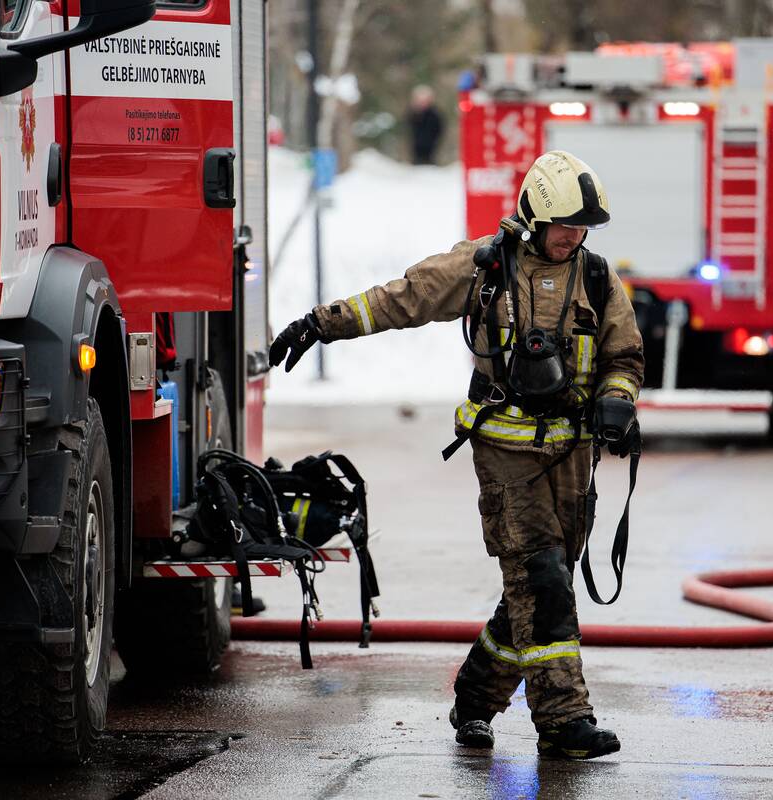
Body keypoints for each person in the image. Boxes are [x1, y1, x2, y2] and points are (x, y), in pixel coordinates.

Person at [268, 151, 644, 760]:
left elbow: (623, 356)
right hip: (505, 452)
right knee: (541, 577)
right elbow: (400, 298)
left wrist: (616, 402)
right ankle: (563, 721)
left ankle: (474, 697)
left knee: (537, 589)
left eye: (583, 229)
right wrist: (319, 323)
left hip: (573, 456)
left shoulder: (597, 279)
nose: (574, 237)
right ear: (532, 217)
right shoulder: (483, 268)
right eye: (565, 227)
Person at [407, 85, 443, 165]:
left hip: (430, 147)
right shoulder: (413, 113)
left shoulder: (434, 114)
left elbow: (439, 128)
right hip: (416, 147)